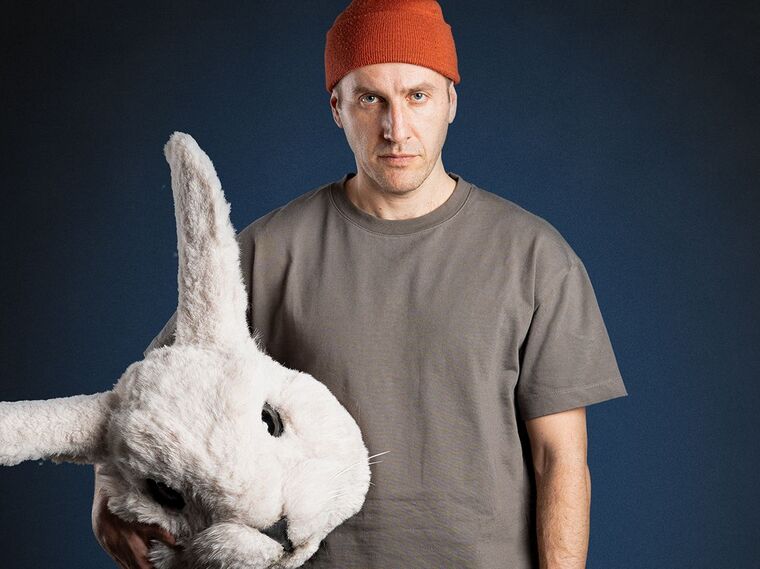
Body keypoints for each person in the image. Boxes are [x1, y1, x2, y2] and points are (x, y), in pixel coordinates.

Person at [92, 0, 628, 567]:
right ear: (337, 108)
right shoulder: (269, 250)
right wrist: (107, 493)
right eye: (370, 99)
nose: (396, 129)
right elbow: (158, 390)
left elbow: (558, 460)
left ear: (451, 101)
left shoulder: (535, 257)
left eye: (417, 96)